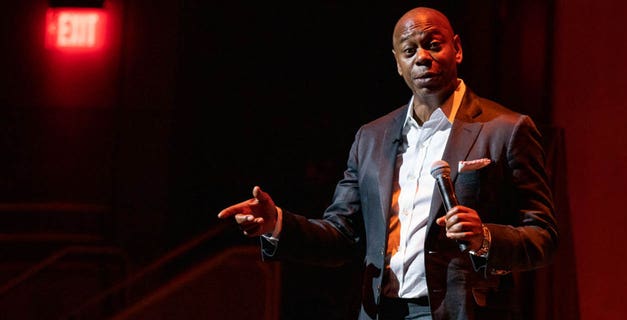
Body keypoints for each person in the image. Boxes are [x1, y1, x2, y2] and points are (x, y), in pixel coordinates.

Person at [218, 6, 558, 320]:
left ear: (457, 48)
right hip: (382, 311)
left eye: (433, 44)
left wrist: (485, 237)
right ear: (398, 64)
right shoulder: (371, 138)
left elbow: (543, 236)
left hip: (463, 311)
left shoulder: (506, 129)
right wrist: (276, 223)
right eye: (409, 51)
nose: (422, 57)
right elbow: (341, 235)